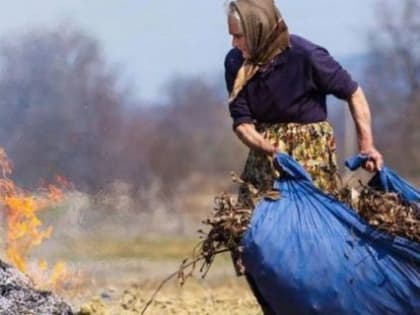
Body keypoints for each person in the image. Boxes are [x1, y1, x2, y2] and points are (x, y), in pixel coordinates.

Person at [224, 0, 384, 314]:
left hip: (309, 154)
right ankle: (274, 305)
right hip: (265, 153)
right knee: (243, 235)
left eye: (239, 36)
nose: (233, 43)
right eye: (231, 35)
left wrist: (367, 144)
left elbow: (353, 93)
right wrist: (262, 145)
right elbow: (241, 121)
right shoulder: (235, 63)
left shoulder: (305, 55)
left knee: (314, 239)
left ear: (259, 31)